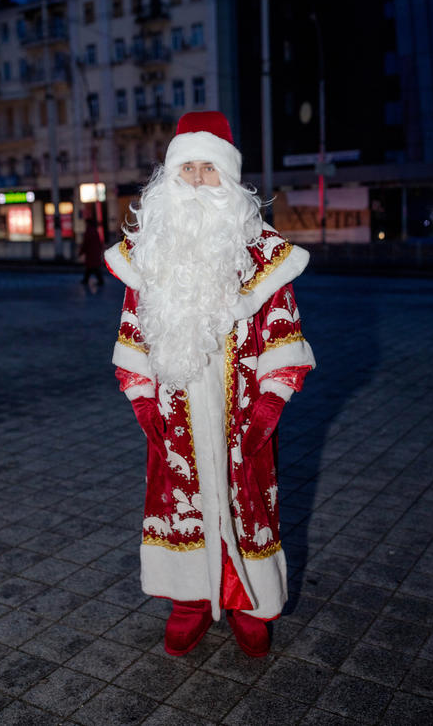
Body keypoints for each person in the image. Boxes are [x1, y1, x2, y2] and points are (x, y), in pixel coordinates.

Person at [104, 111, 316, 658]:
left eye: (209, 168)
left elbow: (283, 331)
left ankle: (248, 601)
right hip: (174, 409)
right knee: (178, 501)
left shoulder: (263, 256)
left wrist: (271, 403)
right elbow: (132, 331)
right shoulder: (147, 253)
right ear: (169, 179)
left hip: (241, 409)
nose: (197, 180)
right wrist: (142, 399)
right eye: (187, 168)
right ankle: (189, 600)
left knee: (250, 503)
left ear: (231, 178)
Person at [79, 216, 104, 287]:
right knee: (92, 267)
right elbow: (99, 242)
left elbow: (86, 243)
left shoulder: (88, 231)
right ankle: (86, 279)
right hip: (95, 252)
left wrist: (81, 252)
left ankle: (97, 280)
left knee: (92, 267)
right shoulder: (95, 231)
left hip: (90, 253)